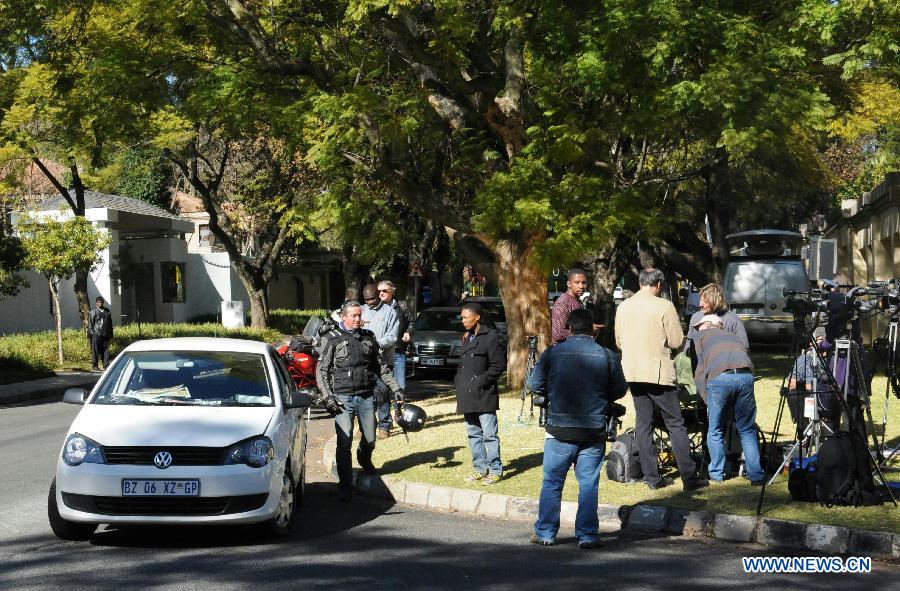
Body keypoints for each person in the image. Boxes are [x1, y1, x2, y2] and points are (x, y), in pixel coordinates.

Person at [526, 309, 627, 549]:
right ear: (592, 328)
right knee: (589, 483)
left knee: (552, 482)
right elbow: (620, 390)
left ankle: (546, 532)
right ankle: (587, 535)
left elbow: (534, 384)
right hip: (593, 429)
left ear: (569, 329)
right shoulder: (607, 355)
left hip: (559, 429)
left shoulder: (553, 353)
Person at [615, 268, 708, 491]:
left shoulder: (625, 306)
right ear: (658, 284)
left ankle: (652, 478)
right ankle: (688, 476)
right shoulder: (664, 306)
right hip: (658, 373)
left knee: (644, 424)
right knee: (675, 424)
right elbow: (677, 341)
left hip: (634, 372)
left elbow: (619, 341)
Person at [316, 300, 404, 501]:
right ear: (344, 317)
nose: (357, 319)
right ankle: (346, 485)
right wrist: (328, 397)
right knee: (344, 440)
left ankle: (364, 459)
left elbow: (380, 367)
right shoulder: (331, 338)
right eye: (353, 316)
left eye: (359, 315)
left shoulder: (368, 337)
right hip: (342, 397)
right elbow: (322, 370)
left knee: (371, 439)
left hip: (365, 395)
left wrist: (396, 388)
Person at [692, 314, 764, 485]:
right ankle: (757, 475)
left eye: (699, 325)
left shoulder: (700, 336)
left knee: (715, 429)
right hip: (745, 376)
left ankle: (717, 474)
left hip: (720, 378)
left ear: (709, 324)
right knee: (747, 429)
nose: (696, 329)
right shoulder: (734, 336)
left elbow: (700, 371)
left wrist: (706, 398)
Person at [455, 302, 506, 485]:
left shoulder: (490, 336)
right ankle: (480, 468)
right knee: (473, 434)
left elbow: (498, 365)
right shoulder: (465, 337)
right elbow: (463, 365)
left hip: (484, 394)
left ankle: (495, 469)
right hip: (467, 394)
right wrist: (459, 383)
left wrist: (481, 381)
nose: (462, 321)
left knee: (489, 434)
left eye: (465, 317)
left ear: (477, 317)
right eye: (461, 317)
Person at [361, 282, 401, 439]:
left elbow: (392, 337)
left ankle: (384, 425)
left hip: (383, 360)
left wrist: (375, 344)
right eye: (366, 300)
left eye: (372, 299)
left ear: (377, 296)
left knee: (382, 393)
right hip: (363, 362)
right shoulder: (361, 311)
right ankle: (366, 424)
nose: (370, 302)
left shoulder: (390, 312)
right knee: (364, 394)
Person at [685, 283, 747, 351]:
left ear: (715, 301)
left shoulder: (732, 319)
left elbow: (743, 346)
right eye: (700, 300)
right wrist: (687, 353)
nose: (700, 304)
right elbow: (689, 341)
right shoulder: (696, 317)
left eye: (705, 301)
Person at [551, 268, 587, 344]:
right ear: (568, 284)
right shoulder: (563, 302)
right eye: (577, 282)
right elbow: (557, 334)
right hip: (566, 352)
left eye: (584, 282)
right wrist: (584, 331)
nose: (581, 286)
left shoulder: (576, 300)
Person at [88, 296, 114, 371]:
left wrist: (111, 334)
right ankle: (95, 365)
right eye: (99, 302)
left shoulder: (107, 311)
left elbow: (110, 323)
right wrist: (93, 334)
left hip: (105, 334)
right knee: (95, 350)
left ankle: (106, 365)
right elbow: (90, 325)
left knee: (106, 351)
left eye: (101, 302)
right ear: (96, 303)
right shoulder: (93, 312)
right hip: (97, 334)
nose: (100, 303)